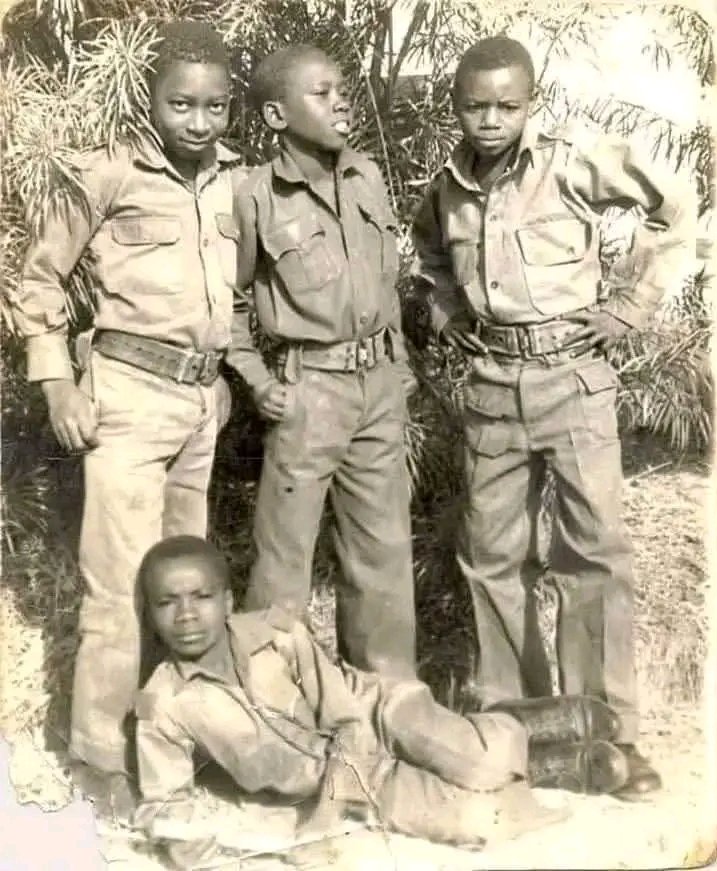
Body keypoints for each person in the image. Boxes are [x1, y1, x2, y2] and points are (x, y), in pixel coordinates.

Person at [411, 36, 691, 801]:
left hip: (572, 376)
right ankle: (522, 730)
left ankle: (609, 738)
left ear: (531, 103)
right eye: (475, 105)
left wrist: (631, 304)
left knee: (591, 554)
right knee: (491, 557)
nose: (491, 120)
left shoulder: (572, 163)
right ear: (456, 105)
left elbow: (679, 206)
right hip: (492, 382)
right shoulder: (448, 185)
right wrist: (444, 307)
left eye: (507, 105)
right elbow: (430, 252)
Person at [12, 21, 246, 813]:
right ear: (150, 99)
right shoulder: (107, 175)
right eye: (181, 103)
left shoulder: (234, 182)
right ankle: (99, 755)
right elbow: (37, 285)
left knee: (187, 583)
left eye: (215, 106)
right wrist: (57, 387)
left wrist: (221, 379)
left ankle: (174, 737)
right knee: (117, 584)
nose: (198, 120)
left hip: (197, 404)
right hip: (125, 398)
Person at [134, 535, 631, 867]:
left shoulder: (277, 634)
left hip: (378, 717)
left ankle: (511, 726)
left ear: (226, 602)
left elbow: (347, 719)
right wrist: (191, 845)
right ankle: (550, 767)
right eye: (166, 603)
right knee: (478, 821)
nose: (185, 615)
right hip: (358, 779)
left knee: (479, 760)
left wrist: (327, 813)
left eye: (200, 597)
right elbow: (165, 806)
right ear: (151, 615)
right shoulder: (165, 703)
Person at [226, 45, 416, 678]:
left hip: (379, 388)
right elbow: (223, 301)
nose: (341, 101)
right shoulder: (254, 196)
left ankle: (384, 706)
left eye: (342, 89)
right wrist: (255, 378)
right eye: (321, 92)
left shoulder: (367, 175)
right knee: (284, 559)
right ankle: (272, 709)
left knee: (382, 553)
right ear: (277, 115)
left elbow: (390, 286)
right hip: (310, 389)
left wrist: (400, 372)